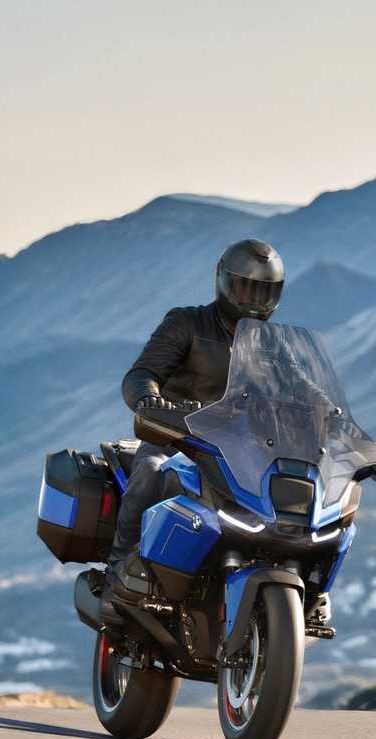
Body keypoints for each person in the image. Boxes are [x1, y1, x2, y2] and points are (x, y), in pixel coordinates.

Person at [104, 238, 285, 603]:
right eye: (244, 289)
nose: (253, 301)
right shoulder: (186, 323)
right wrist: (149, 399)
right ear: (223, 283)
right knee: (152, 471)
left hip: (239, 451)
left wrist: (331, 417)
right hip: (175, 437)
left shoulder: (273, 346)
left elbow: (302, 390)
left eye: (263, 293)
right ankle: (120, 569)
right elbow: (141, 374)